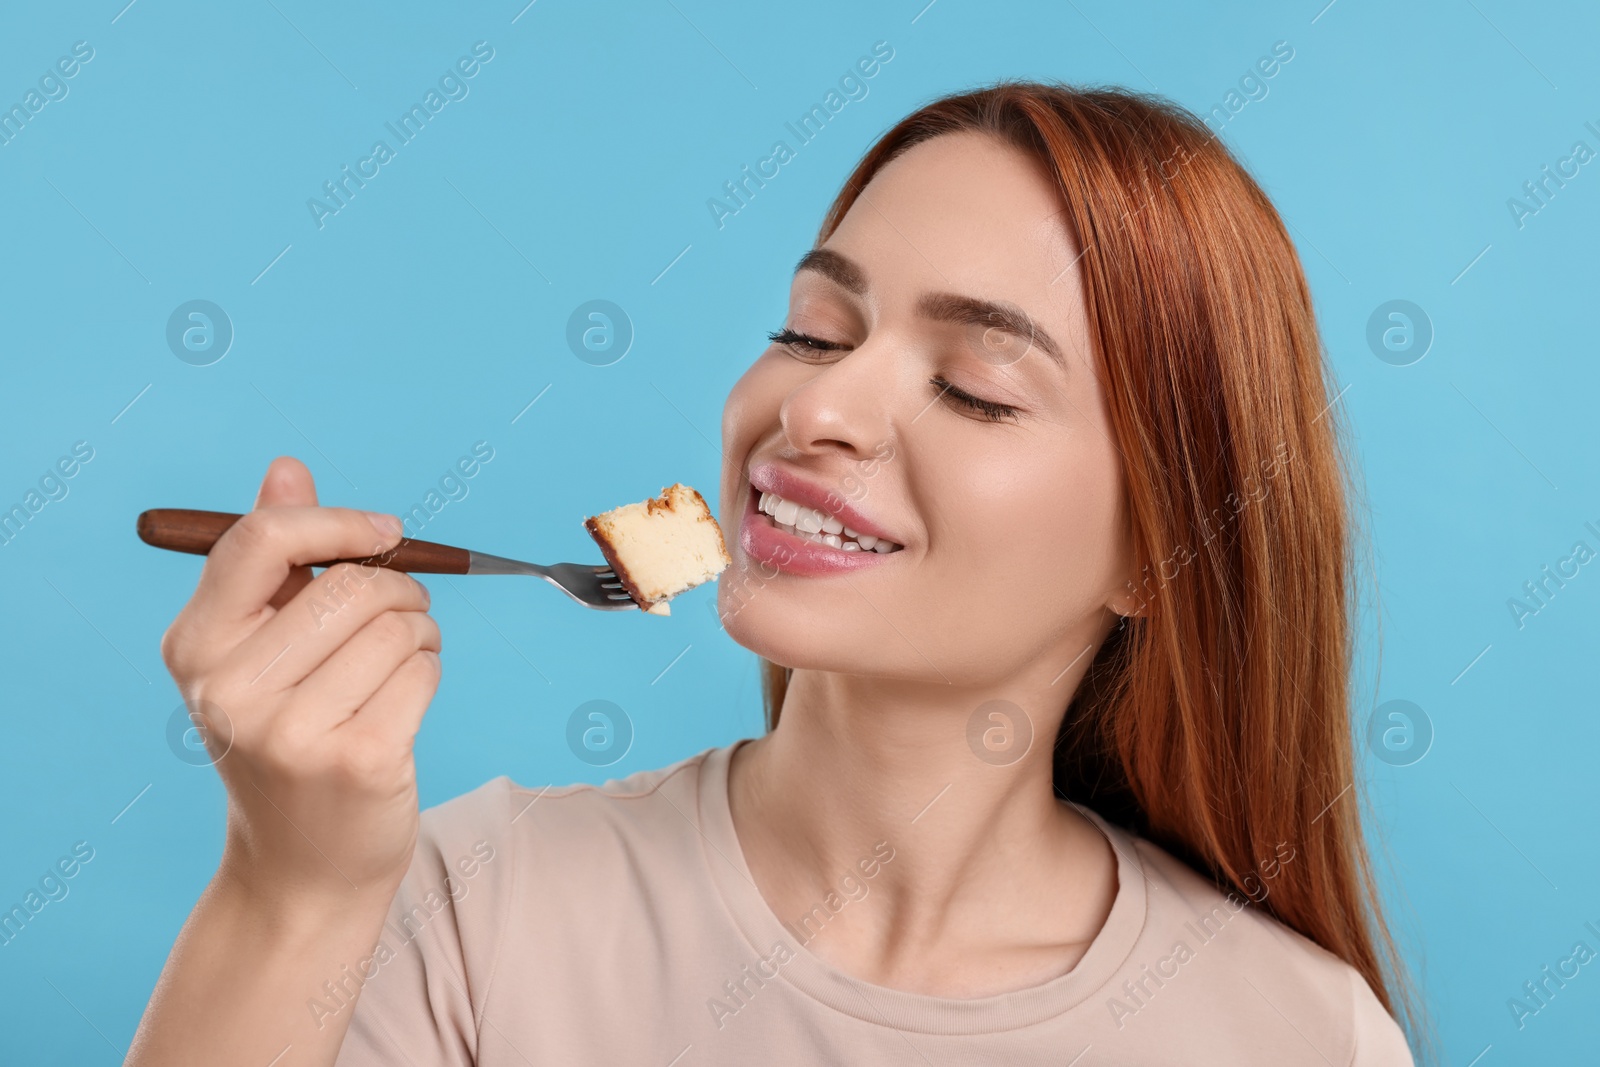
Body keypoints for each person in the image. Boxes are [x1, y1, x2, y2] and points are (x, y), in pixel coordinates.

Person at [127, 82, 1425, 1065]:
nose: (818, 407)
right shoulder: (477, 906)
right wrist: (283, 895)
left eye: (973, 391)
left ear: (1158, 549)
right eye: (813, 329)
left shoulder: (1297, 1035)